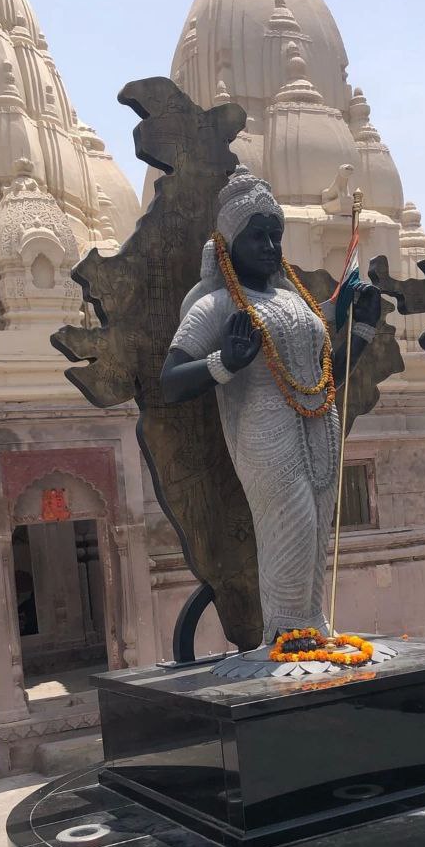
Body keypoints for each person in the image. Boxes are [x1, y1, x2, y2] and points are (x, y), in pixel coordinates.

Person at [161, 166, 382, 643]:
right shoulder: (217, 306)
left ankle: (314, 628)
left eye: (275, 236)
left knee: (318, 528)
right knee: (291, 524)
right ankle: (284, 633)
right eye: (256, 236)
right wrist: (225, 362)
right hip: (264, 432)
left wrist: (361, 331)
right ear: (228, 243)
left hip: (320, 426)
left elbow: (325, 378)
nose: (269, 246)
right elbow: (171, 382)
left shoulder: (298, 303)